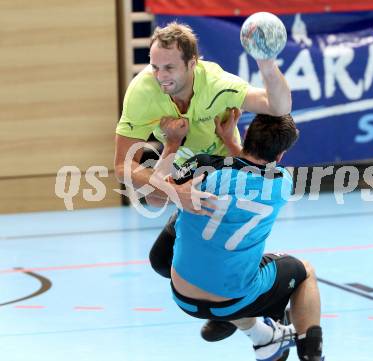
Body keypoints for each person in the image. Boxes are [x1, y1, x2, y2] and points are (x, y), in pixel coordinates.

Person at [114, 21, 292, 341]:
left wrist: (265, 61)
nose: (160, 75)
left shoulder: (218, 84)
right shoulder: (143, 93)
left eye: (169, 67)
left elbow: (277, 107)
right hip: (188, 180)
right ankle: (257, 327)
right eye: (154, 66)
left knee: (209, 271)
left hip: (229, 180)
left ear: (192, 63)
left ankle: (265, 305)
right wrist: (173, 186)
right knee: (161, 260)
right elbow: (122, 167)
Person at [148, 111, 323, 361]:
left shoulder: (202, 167)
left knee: (189, 230)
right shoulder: (282, 183)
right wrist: (231, 142)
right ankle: (311, 355)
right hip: (233, 299)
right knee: (304, 272)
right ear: (281, 155)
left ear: (249, 133)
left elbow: (153, 196)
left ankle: (260, 333)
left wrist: (173, 143)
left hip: (183, 295)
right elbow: (246, 173)